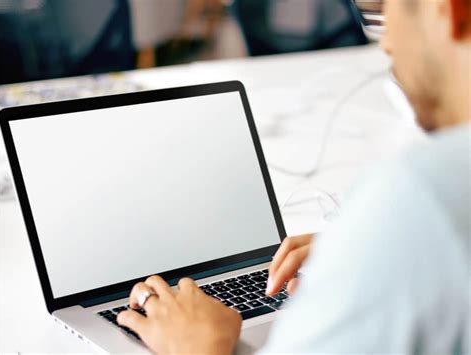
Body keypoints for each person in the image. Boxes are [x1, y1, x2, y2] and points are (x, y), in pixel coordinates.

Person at [117, 0, 470, 353]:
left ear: (447, 9)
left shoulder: (417, 195)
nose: (385, 44)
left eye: (384, 13)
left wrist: (200, 348)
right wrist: (372, 251)